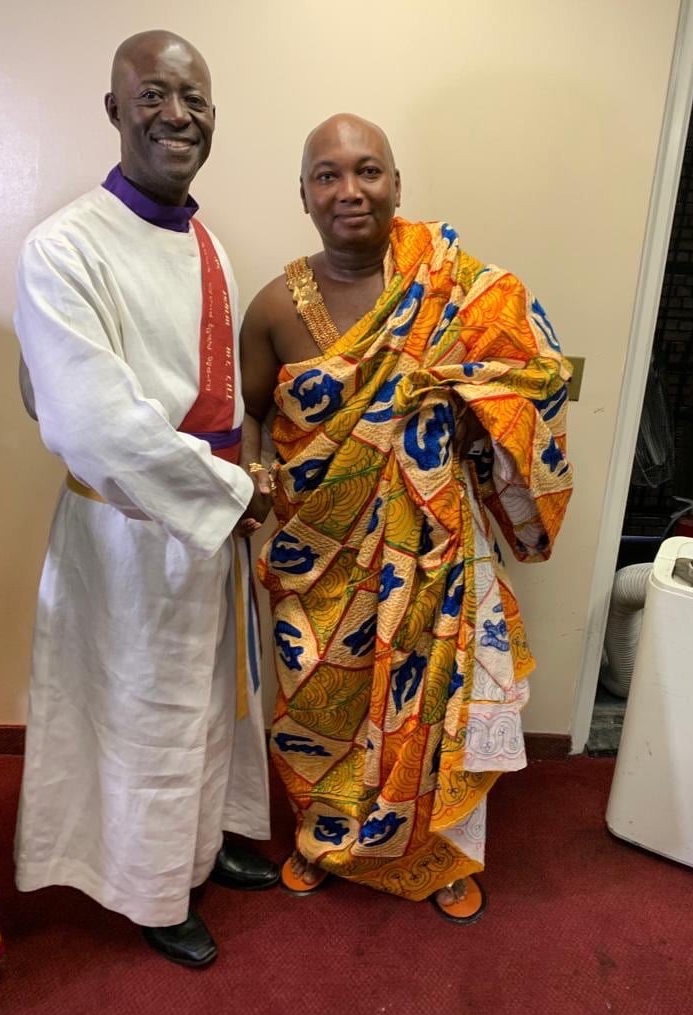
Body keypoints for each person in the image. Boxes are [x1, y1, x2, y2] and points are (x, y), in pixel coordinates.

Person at [240, 113, 573, 923]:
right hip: (317, 548)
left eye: (368, 171)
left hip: (434, 544)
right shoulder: (275, 305)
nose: (349, 191)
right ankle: (327, 837)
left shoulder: (458, 288)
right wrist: (251, 479)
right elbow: (249, 414)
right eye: (328, 175)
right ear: (304, 195)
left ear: (397, 184)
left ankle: (441, 852)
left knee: (437, 695)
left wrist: (477, 413)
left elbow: (538, 381)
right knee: (323, 696)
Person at [14, 30, 277, 969]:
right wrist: (227, 493)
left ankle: (197, 852)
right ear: (116, 110)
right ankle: (147, 886)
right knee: (138, 709)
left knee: (206, 700)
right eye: (156, 95)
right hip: (127, 529)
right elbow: (94, 423)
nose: (179, 115)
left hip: (204, 523)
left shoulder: (203, 238)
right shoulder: (64, 247)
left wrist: (232, 492)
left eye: (195, 99)